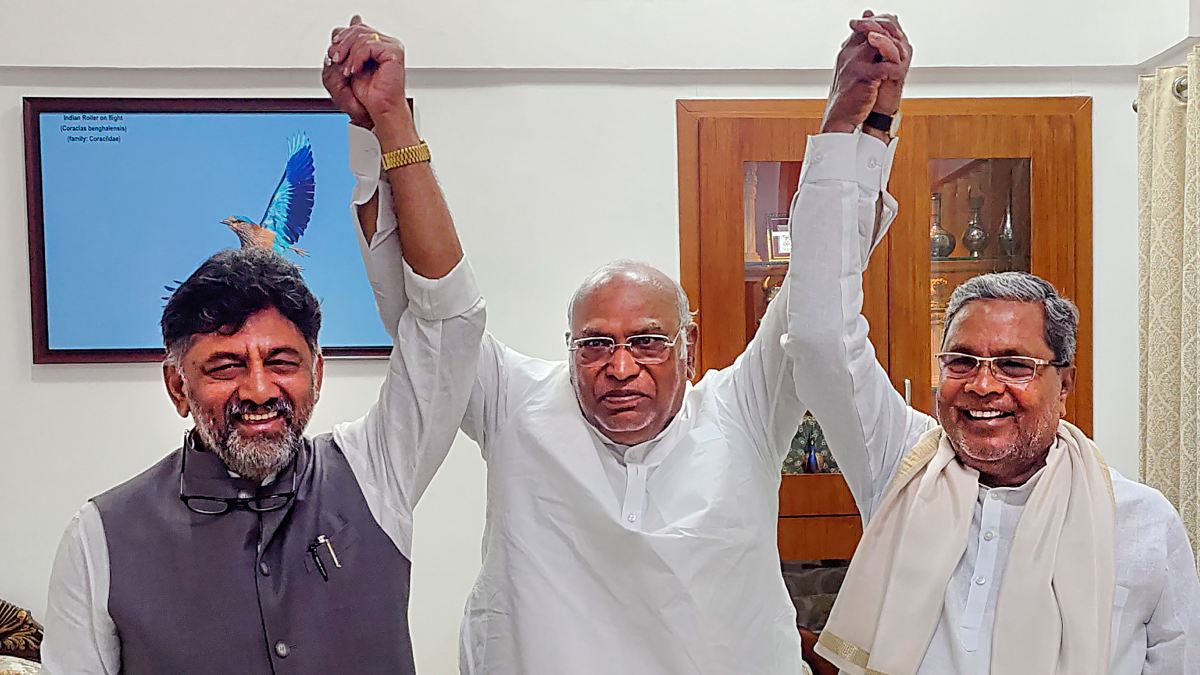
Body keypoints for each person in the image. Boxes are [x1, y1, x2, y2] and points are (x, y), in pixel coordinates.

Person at [339, 12, 910, 674]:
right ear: (568, 347)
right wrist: (386, 127)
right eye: (594, 345)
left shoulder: (743, 412)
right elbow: (427, 308)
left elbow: (818, 292)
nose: (619, 366)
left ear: (689, 343)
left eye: (647, 342)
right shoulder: (516, 405)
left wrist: (856, 126)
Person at [39, 17, 485, 672]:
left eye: (281, 361)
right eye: (224, 365)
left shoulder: (374, 474)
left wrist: (390, 123)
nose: (258, 389)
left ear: (318, 373)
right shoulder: (99, 539)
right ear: (177, 385)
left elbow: (448, 320)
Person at [783, 16, 1200, 675]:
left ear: (1065, 382)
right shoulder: (901, 467)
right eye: (962, 360)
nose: (982, 385)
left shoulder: (1142, 523)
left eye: (1014, 364)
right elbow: (818, 335)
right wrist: (853, 130)